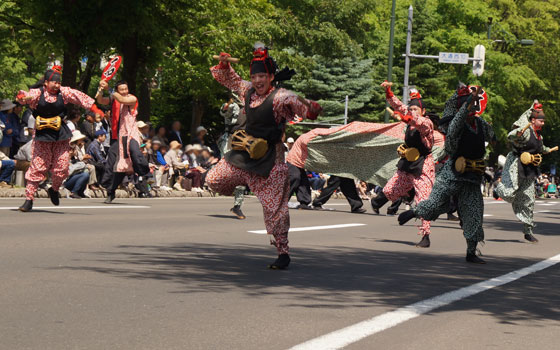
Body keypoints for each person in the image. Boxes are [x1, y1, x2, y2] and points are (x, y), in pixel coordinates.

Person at [207, 47, 321, 269]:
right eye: (254, 76)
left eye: (262, 76)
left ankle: (283, 252)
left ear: (271, 77)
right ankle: (247, 186)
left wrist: (311, 108)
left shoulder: (281, 96)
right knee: (213, 179)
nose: (257, 80)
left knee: (276, 210)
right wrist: (224, 65)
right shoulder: (247, 90)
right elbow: (232, 80)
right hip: (244, 154)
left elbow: (299, 102)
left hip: (270, 161)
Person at [398, 84, 494, 264]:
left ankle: (471, 252)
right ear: (461, 107)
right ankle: (415, 212)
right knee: (435, 204)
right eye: (468, 105)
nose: (473, 107)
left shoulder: (480, 123)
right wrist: (465, 99)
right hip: (452, 172)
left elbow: (491, 136)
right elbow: (458, 119)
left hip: (472, 175)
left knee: (474, 213)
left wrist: (494, 135)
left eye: (474, 105)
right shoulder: (454, 123)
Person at [16, 66, 104, 212]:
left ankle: (54, 189)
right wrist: (22, 97)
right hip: (42, 135)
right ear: (46, 83)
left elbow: (79, 97)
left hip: (60, 135)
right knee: (38, 167)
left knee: (62, 167)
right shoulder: (38, 93)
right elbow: (26, 96)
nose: (57, 85)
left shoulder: (64, 92)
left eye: (59, 82)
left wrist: (95, 110)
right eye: (54, 82)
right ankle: (29, 199)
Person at [371, 84, 435, 247]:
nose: (412, 111)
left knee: (423, 201)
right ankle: (396, 196)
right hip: (408, 163)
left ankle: (425, 236)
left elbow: (421, 124)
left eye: (416, 109)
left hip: (423, 166)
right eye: (411, 109)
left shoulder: (427, 123)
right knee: (389, 190)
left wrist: (409, 118)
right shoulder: (409, 120)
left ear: (423, 111)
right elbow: (399, 106)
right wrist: (388, 92)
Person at [494, 101, 558, 243]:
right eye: (541, 121)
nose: (543, 124)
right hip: (516, 165)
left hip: (530, 169)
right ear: (533, 120)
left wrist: (550, 150)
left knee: (529, 201)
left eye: (543, 121)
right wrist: (518, 132)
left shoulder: (539, 136)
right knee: (509, 194)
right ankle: (497, 184)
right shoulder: (525, 131)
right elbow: (511, 136)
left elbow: (541, 148)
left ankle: (528, 231)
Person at [96, 79, 149, 203]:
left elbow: (122, 100)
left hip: (131, 134)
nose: (125, 91)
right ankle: (111, 191)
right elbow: (100, 100)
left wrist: (109, 90)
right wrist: (100, 89)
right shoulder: (114, 99)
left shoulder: (132, 99)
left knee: (135, 152)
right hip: (117, 135)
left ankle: (144, 171)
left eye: (126, 89)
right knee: (115, 165)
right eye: (122, 89)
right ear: (118, 90)